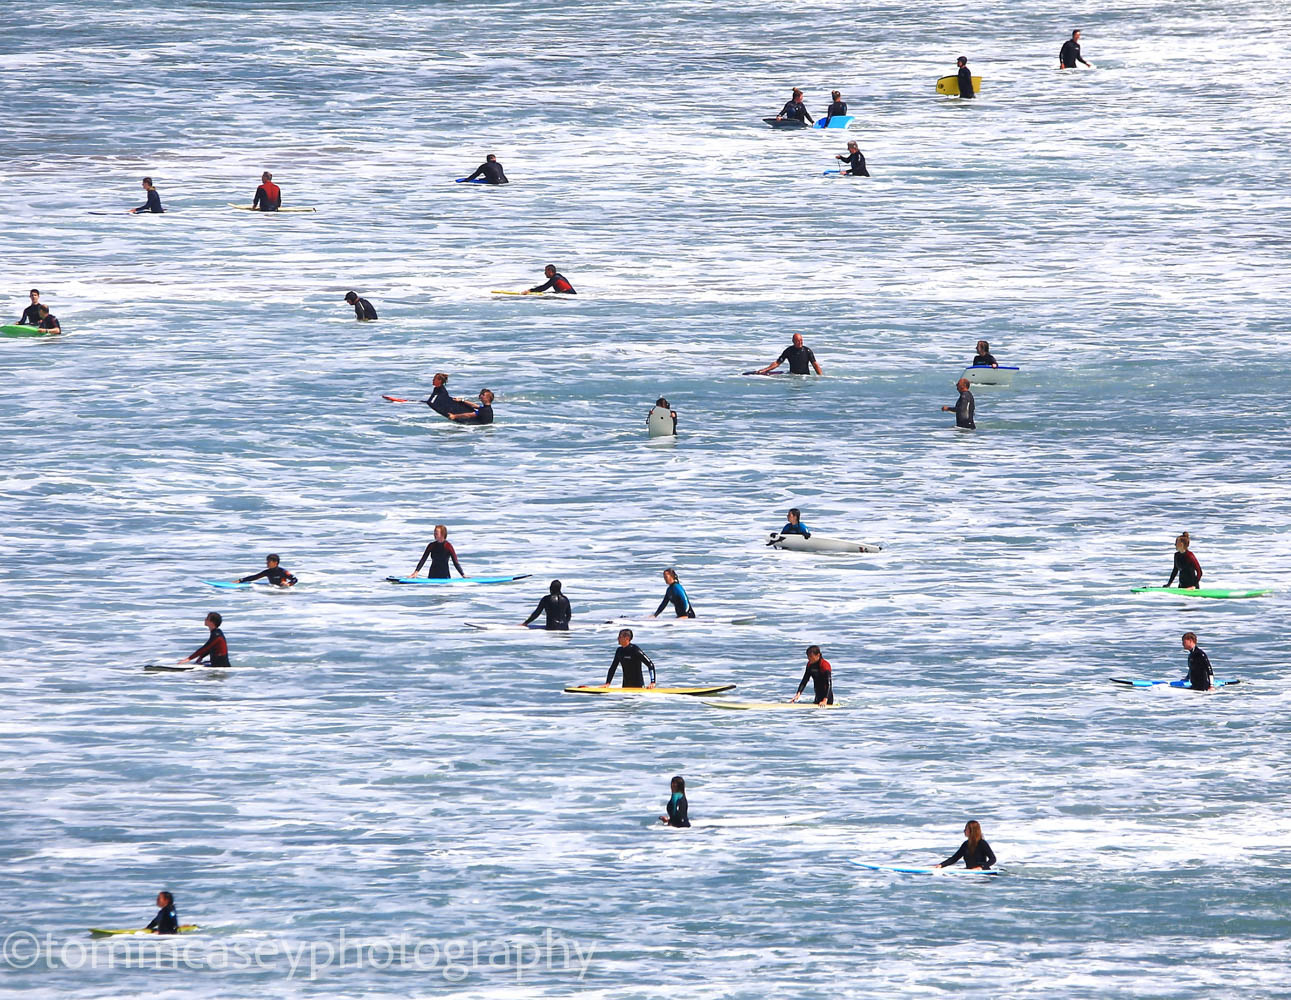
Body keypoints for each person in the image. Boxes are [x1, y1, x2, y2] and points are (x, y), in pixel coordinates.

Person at [756, 332, 822, 376]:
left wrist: (820, 376)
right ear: (793, 341)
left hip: (805, 376)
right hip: (793, 376)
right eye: (798, 341)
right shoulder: (789, 351)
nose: (800, 342)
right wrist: (765, 370)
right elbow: (777, 363)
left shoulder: (807, 351)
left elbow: (815, 364)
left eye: (801, 340)